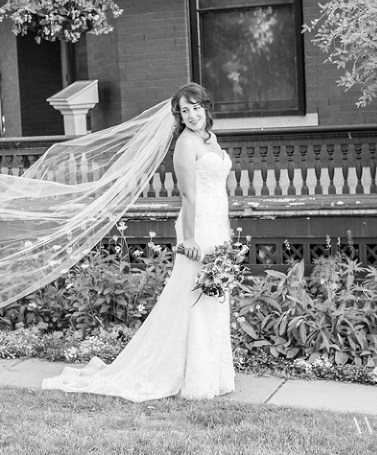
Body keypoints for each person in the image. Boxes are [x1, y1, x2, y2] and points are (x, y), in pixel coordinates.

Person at [42, 83, 235, 402]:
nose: (191, 115)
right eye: (185, 110)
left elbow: (217, 187)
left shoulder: (209, 138)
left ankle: (215, 374)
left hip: (217, 226)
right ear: (179, 116)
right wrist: (189, 238)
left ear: (206, 107)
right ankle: (196, 378)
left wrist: (225, 231)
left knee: (213, 298)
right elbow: (188, 196)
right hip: (197, 228)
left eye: (196, 107)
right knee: (197, 297)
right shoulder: (185, 144)